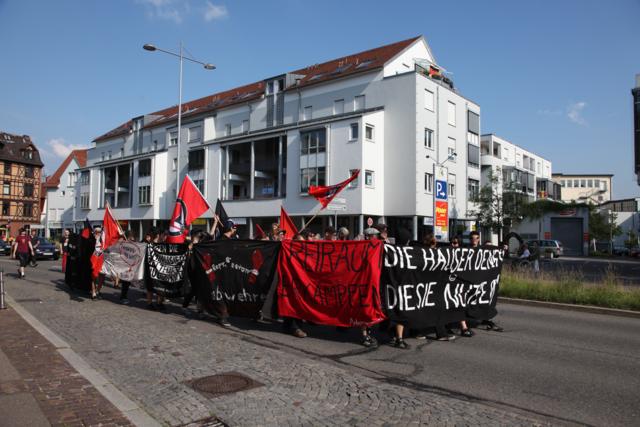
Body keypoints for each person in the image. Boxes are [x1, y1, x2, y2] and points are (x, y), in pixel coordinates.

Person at [119, 230, 136, 305]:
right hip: (124, 265)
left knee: (127, 282)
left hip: (130, 265)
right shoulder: (123, 243)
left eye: (132, 238)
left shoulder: (132, 243)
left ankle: (124, 295)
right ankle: (123, 297)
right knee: (125, 282)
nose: (132, 239)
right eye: (130, 237)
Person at [90, 226, 105, 300]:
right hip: (94, 260)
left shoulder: (103, 239)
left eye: (100, 232)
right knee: (94, 277)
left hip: (102, 260)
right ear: (94, 232)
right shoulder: (91, 240)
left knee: (102, 277)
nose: (99, 233)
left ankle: (98, 291)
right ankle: (93, 292)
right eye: (97, 232)